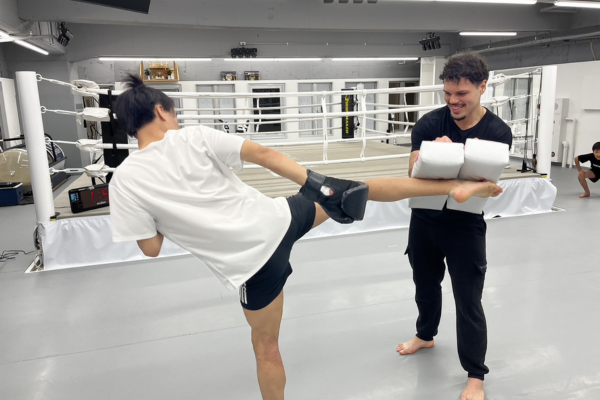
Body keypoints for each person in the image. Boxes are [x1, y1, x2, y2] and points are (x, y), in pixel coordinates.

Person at [109, 74, 503, 400]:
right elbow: (263, 154)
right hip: (280, 219)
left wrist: (167, 212)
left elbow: (151, 248)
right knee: (359, 188)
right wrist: (320, 186)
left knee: (266, 347)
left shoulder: (124, 181)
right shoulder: (193, 137)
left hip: (252, 265)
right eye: (173, 114)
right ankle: (453, 186)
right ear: (161, 111)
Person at [396, 52, 512, 400]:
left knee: (468, 299)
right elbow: (412, 171)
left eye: (462, 94)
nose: (453, 101)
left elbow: (489, 187)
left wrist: (464, 183)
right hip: (424, 221)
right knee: (424, 285)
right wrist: (432, 155)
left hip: (465, 226)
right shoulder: (430, 124)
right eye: (447, 93)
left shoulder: (497, 132)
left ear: (482, 87)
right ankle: (425, 334)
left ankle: (476, 375)